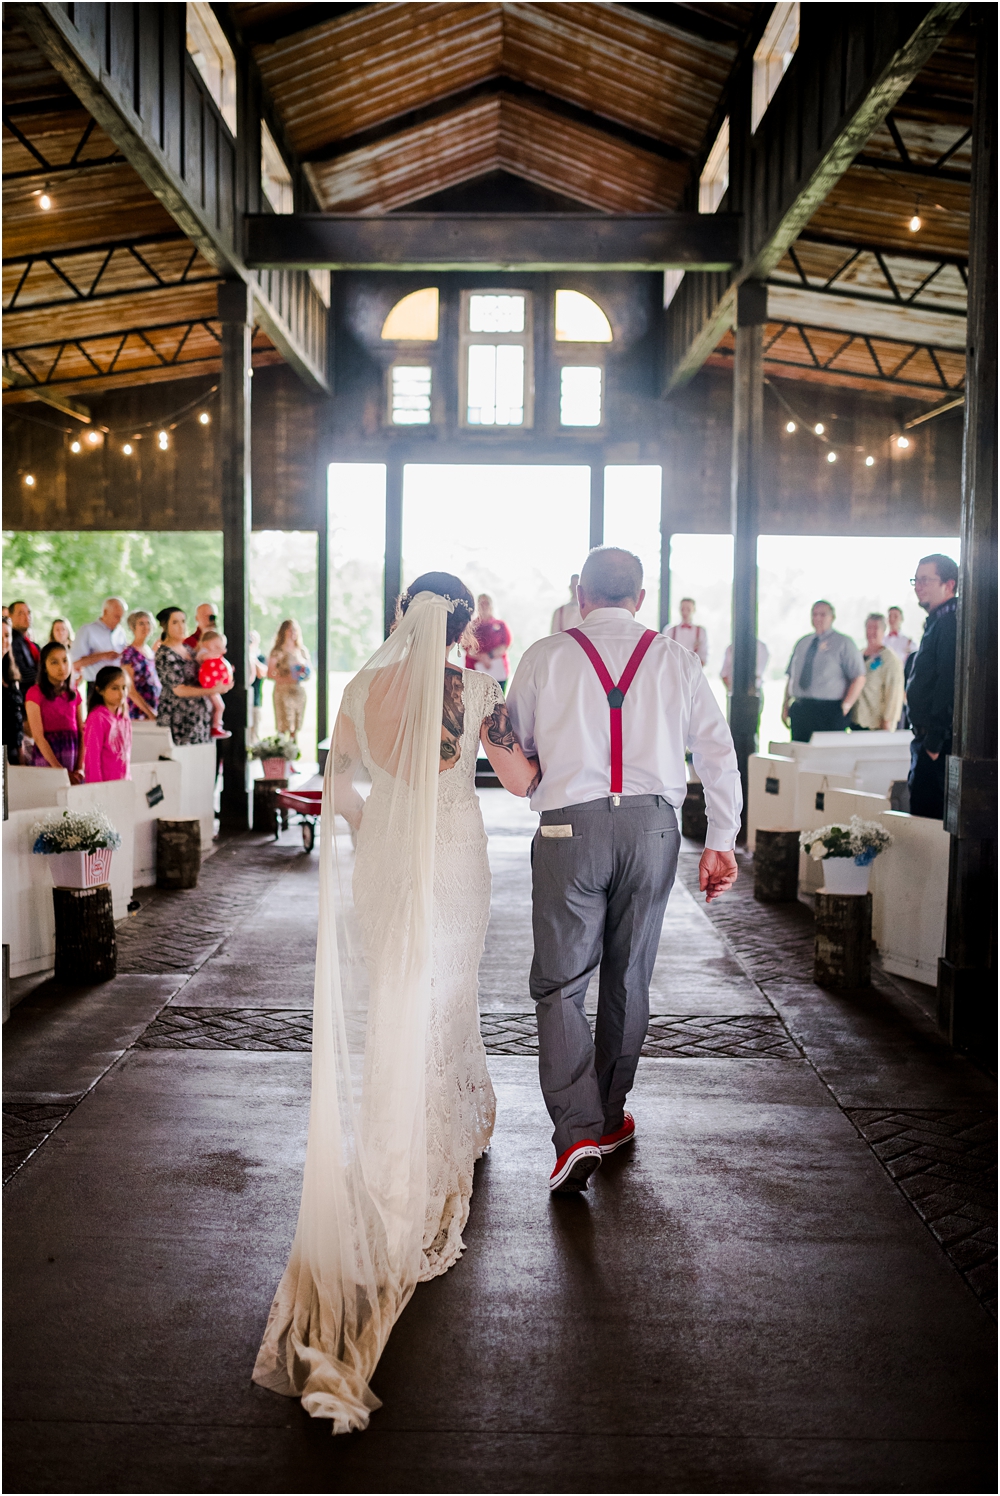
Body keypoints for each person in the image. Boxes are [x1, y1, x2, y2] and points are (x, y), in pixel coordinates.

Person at [254, 571, 539, 1432]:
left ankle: (416, 1123)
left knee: (394, 1002)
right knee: (446, 998)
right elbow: (520, 781)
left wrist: (373, 830)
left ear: (397, 618)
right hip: (453, 862)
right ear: (460, 629)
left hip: (385, 860)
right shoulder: (481, 688)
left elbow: (340, 790)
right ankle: (427, 1142)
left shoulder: (358, 687)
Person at [507, 547, 741, 1194]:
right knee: (629, 973)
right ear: (640, 598)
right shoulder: (676, 657)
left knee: (560, 983)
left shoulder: (544, 656)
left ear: (581, 593)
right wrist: (722, 839)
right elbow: (717, 753)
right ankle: (608, 1120)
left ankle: (575, 1133)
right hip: (654, 828)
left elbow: (515, 744)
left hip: (569, 829)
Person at [905, 553, 958, 820]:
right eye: (916, 579)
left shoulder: (950, 623)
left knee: (929, 822)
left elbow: (948, 682)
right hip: (925, 739)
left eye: (926, 579)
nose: (918, 585)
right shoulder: (937, 621)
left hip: (936, 744)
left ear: (949, 584)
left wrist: (934, 742)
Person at [781, 600, 866, 742]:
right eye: (814, 614)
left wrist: (846, 706)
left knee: (825, 757)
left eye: (822, 614)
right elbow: (791, 676)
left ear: (832, 617)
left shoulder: (844, 643)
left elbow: (858, 677)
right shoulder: (802, 643)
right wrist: (785, 705)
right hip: (801, 708)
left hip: (829, 710)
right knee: (800, 753)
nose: (818, 618)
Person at [154, 607, 224, 745]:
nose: (181, 626)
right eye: (175, 622)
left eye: (183, 621)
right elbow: (178, 689)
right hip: (180, 720)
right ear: (165, 626)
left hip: (200, 719)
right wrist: (213, 691)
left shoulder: (188, 649)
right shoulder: (165, 654)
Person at [23, 641, 85, 782]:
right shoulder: (34, 693)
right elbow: (38, 737)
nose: (61, 667)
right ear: (44, 667)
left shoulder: (74, 694)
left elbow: (82, 733)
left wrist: (80, 767)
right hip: (48, 762)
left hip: (73, 759)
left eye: (65, 661)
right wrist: (61, 772)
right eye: (54, 662)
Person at [850, 613, 905, 732]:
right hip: (856, 720)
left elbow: (894, 693)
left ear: (883, 631)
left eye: (876, 628)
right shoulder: (858, 655)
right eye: (869, 628)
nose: (872, 632)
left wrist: (887, 723)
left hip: (876, 724)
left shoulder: (890, 659)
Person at [71, 597, 127, 711]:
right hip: (97, 687)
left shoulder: (121, 632)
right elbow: (75, 664)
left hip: (119, 686)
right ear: (105, 612)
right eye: (116, 616)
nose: (119, 620)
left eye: (121, 617)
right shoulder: (87, 631)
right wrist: (102, 656)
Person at [82, 665, 132, 782]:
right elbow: (92, 758)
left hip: (123, 783)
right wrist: (98, 788)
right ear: (100, 690)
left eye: (124, 688)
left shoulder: (124, 717)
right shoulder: (97, 718)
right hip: (103, 785)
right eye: (114, 688)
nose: (121, 693)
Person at [267, 619, 311, 741]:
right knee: (283, 724)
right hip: (282, 690)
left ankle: (293, 751)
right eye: (290, 630)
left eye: (295, 630)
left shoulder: (302, 651)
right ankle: (282, 753)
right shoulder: (277, 651)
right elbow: (270, 673)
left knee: (296, 725)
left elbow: (309, 672)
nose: (293, 633)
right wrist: (286, 678)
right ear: (283, 631)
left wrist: (301, 673)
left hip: (298, 691)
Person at [466, 594, 512, 691]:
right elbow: (466, 646)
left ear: (491, 605)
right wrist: (481, 658)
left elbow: (506, 644)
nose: (484, 606)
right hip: (475, 671)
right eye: (481, 603)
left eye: (486, 603)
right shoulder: (471, 625)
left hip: (497, 670)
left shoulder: (501, 624)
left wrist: (489, 657)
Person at [121, 610, 161, 721]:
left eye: (148, 623)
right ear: (133, 627)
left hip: (155, 707)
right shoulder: (129, 653)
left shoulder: (150, 652)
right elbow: (130, 689)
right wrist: (150, 713)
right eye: (141, 623)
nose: (145, 627)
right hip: (139, 712)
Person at [195, 629, 234, 738]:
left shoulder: (214, 656)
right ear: (206, 643)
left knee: (219, 706)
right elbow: (205, 657)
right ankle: (216, 727)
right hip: (208, 687)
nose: (219, 650)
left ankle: (216, 726)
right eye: (216, 646)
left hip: (213, 686)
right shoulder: (203, 653)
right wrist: (218, 652)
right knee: (220, 706)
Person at [2, 614, 25, 765]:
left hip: (13, 753)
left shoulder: (11, 674)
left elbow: (18, 720)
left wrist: (22, 758)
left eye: (7, 635)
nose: (4, 640)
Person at [661, 596, 708, 666]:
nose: (685, 612)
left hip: (694, 671)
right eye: (682, 609)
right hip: (674, 669)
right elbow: (664, 653)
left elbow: (704, 655)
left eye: (688, 609)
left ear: (694, 610)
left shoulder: (701, 631)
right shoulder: (669, 630)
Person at [8, 601, 39, 686]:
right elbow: (22, 673)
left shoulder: (32, 645)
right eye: (21, 613)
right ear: (10, 616)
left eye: (28, 613)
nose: (27, 617)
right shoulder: (9, 642)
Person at [248, 630, 267, 744]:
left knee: (254, 730)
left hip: (255, 699)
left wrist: (252, 657)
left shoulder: (259, 657)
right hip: (244, 700)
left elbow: (262, 673)